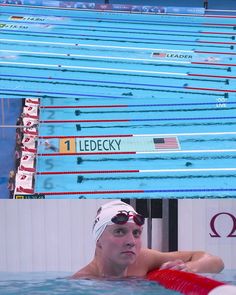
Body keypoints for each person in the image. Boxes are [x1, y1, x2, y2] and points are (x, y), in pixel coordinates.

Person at [72, 200, 224, 279]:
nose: (131, 241)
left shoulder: (142, 259)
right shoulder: (83, 282)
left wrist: (191, 268)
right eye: (119, 231)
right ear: (98, 240)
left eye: (137, 233)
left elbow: (216, 262)